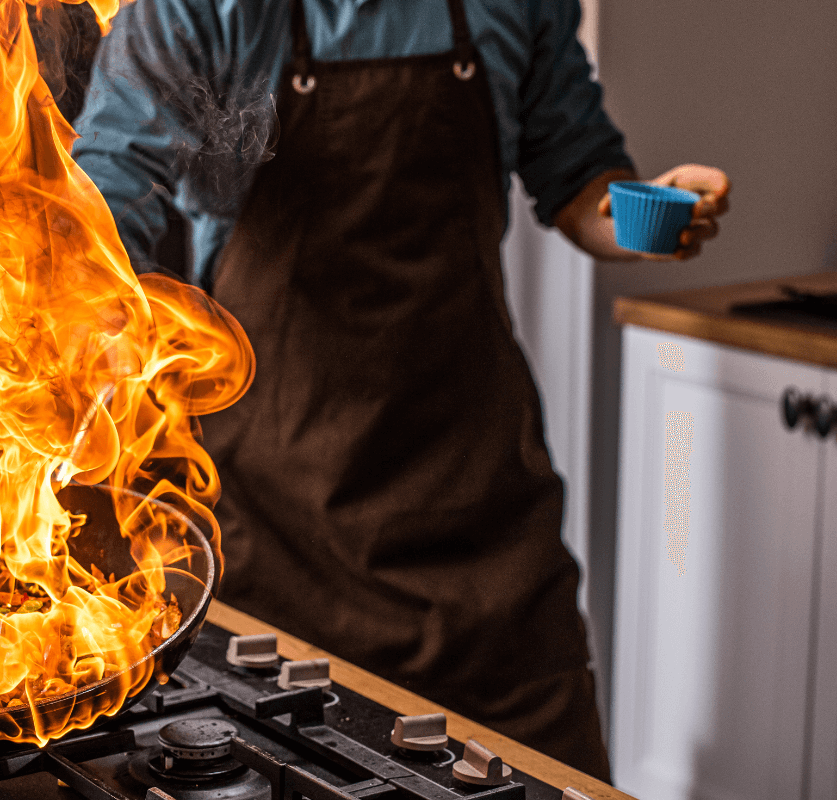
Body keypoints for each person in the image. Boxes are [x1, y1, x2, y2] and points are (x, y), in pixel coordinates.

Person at [71, 0, 729, 780]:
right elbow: (109, 197)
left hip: (487, 534)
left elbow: (581, 178)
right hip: (281, 540)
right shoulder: (199, 11)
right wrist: (83, 313)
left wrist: (650, 215)